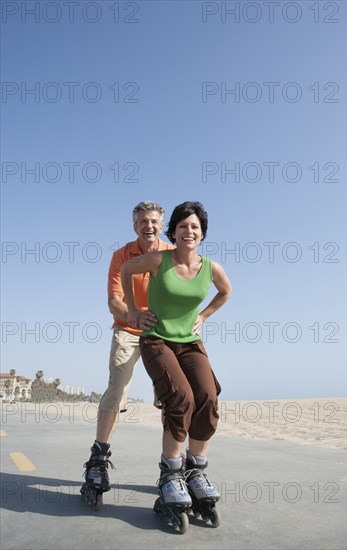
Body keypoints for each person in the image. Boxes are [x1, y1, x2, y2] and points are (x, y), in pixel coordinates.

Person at [121, 201, 232, 508]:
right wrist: (133, 310)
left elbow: (226, 292)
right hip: (156, 339)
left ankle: (196, 472)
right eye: (183, 226)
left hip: (190, 341)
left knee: (208, 397)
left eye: (194, 226)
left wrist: (205, 315)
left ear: (202, 233)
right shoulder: (159, 259)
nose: (189, 231)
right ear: (174, 231)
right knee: (181, 397)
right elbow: (127, 269)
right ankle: (170, 474)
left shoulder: (210, 268)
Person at [82, 201, 174, 493]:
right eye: (143, 221)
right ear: (135, 226)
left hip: (163, 332)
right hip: (128, 329)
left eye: (154, 221)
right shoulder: (121, 256)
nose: (149, 226)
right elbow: (113, 301)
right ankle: (99, 457)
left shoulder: (173, 254)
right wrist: (134, 315)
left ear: (162, 225)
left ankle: (171, 467)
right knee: (117, 387)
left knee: (170, 396)